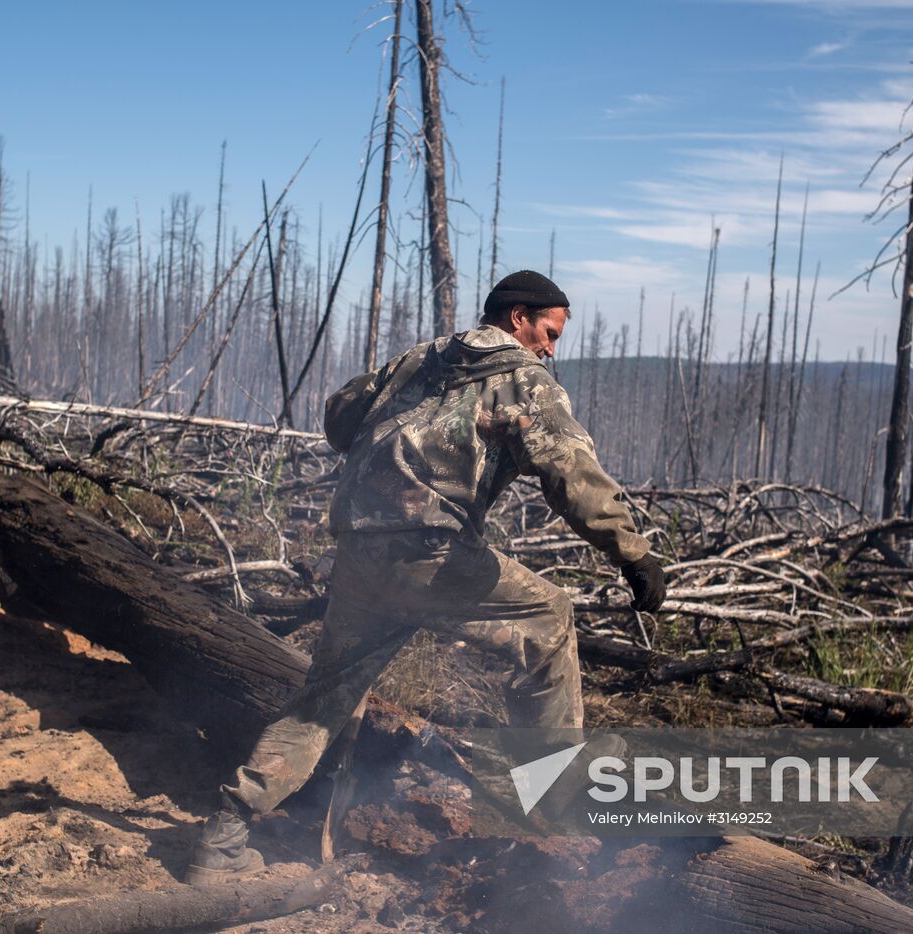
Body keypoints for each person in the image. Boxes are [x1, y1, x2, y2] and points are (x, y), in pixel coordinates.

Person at [186, 270, 666, 881]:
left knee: (322, 701)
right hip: (429, 554)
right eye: (548, 333)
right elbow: (569, 471)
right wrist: (634, 553)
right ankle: (553, 796)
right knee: (549, 619)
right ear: (518, 318)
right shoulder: (524, 379)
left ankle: (221, 840)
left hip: (360, 552)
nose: (550, 348)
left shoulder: (420, 359)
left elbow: (339, 419)